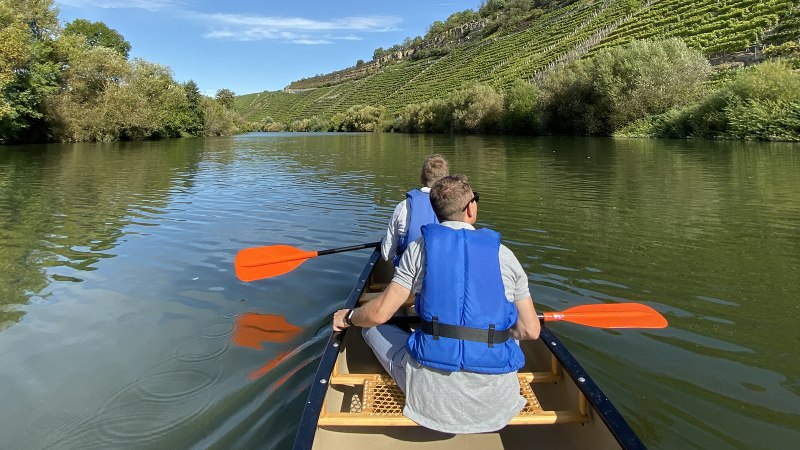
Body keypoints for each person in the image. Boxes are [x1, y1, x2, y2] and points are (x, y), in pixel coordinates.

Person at [333, 174, 541, 434]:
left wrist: (348, 317)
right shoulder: (505, 256)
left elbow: (379, 314)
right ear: (471, 208)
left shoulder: (418, 250)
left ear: (436, 211)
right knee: (511, 335)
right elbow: (531, 330)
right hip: (497, 404)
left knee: (369, 327)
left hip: (430, 402)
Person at [381, 154, 449, 265]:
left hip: (408, 272)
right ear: (446, 182)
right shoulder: (453, 207)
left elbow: (387, 254)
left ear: (421, 178)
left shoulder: (404, 207)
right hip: (442, 270)